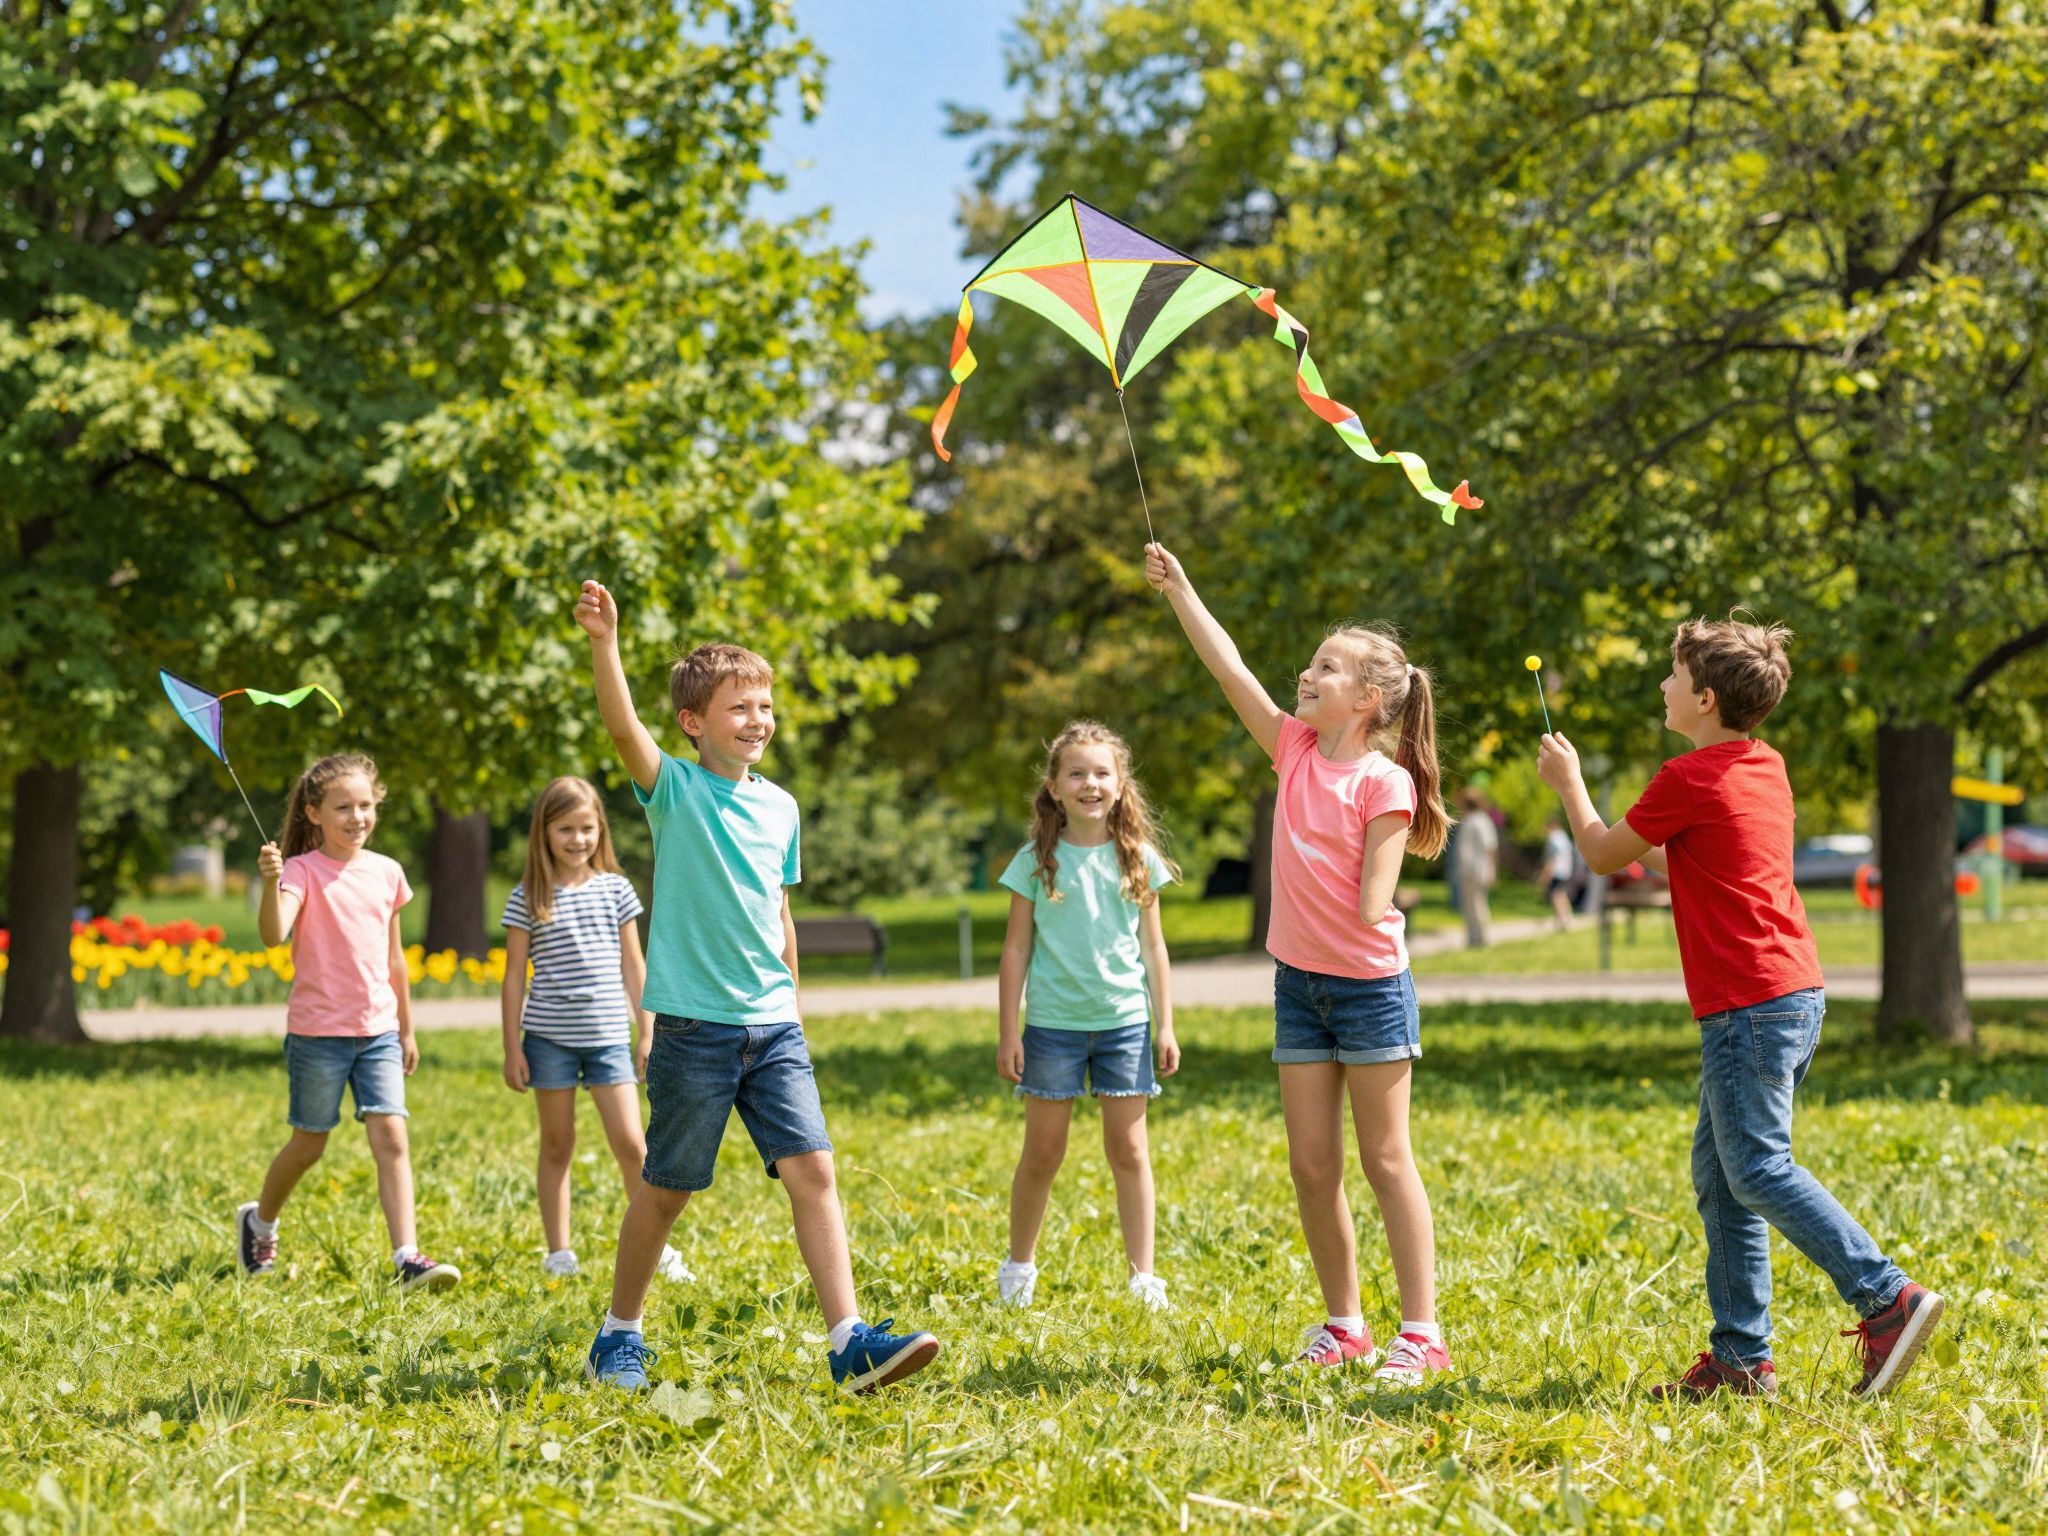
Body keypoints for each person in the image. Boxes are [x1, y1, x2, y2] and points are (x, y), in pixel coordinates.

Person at [1536, 615, 1944, 1400]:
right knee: (1722, 1178)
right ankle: (1740, 1362)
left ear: (1705, 695)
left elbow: (1599, 853)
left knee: (1756, 1168)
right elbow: (1672, 849)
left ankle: (1888, 1297)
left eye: (1672, 673)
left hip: (1747, 1004)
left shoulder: (1686, 777)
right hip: (1790, 993)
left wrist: (1570, 786)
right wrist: (1625, 832)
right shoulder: (1762, 765)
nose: (1662, 684)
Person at [573, 579, 939, 1395]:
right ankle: (617, 1336)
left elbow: (780, 913)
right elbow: (620, 725)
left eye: (766, 705)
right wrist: (606, 645)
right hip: (695, 1031)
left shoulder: (782, 808)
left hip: (773, 1028)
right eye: (740, 708)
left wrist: (794, 1003)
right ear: (694, 723)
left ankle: (849, 1342)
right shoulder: (674, 789)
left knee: (814, 1171)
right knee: (666, 1190)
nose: (759, 720)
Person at [1145, 542, 1452, 1386]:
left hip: (1371, 990)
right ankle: (1345, 1322)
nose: (1305, 675)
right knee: (1312, 1164)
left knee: (1387, 1160)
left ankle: (1421, 1332)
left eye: (1325, 667)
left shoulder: (1384, 782)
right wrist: (1182, 588)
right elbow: (1228, 667)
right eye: (1312, 663)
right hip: (1299, 986)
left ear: (1369, 698)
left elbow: (1378, 892)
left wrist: (1369, 901)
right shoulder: (1293, 752)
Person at [236, 754, 460, 1292]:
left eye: (365, 805)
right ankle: (260, 1221)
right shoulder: (300, 871)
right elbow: (273, 934)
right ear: (313, 813)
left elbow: (394, 958)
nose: (356, 816)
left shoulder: (387, 872)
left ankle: (407, 1257)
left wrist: (406, 1028)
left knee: (392, 1137)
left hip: (378, 1030)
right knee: (309, 1144)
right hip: (318, 1035)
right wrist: (270, 885)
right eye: (342, 807)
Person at [995, 721, 1180, 1313]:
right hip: (1052, 1028)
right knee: (1043, 1153)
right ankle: (1018, 1267)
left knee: (1129, 1151)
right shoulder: (1034, 861)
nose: (1090, 783)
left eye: (1102, 773)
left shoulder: (1140, 859)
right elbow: (1016, 949)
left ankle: (1143, 1278)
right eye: (1076, 773)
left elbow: (1154, 948)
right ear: (1053, 787)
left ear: (1121, 786)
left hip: (1124, 1024)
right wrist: (1008, 1030)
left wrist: (1165, 1024)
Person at [501, 776, 689, 1286]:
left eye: (587, 828)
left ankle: (660, 1250)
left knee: (632, 1143)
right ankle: (558, 1252)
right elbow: (514, 975)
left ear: (600, 830)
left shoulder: (615, 889)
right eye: (565, 829)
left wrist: (647, 1031)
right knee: (557, 1144)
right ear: (544, 832)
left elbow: (634, 965)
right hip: (548, 1041)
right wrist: (511, 1047)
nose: (577, 839)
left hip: (609, 1038)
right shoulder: (528, 897)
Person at [1451, 788, 1498, 948]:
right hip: (1466, 870)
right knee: (1469, 905)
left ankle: (1483, 937)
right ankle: (1472, 938)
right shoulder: (1470, 820)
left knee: (1478, 904)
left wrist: (1491, 869)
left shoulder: (1481, 820)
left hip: (1477, 870)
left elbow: (1490, 847)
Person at [1541, 816, 1576, 928]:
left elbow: (1553, 857)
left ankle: (1561, 920)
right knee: (1562, 894)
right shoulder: (1563, 836)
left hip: (1557, 871)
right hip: (1566, 870)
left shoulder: (1553, 837)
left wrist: (1547, 873)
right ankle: (1568, 917)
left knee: (1555, 895)